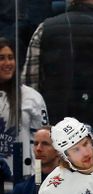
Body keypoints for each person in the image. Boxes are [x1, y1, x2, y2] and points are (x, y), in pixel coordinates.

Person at [22, 0, 93, 145]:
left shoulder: (45, 28)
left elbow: (30, 83)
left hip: (57, 125)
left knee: (60, 168)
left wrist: (39, 125)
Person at [0, 38, 47, 183]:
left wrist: (37, 180)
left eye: (11, 58)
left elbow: (42, 146)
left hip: (22, 179)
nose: (7, 63)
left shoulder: (32, 98)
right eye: (1, 58)